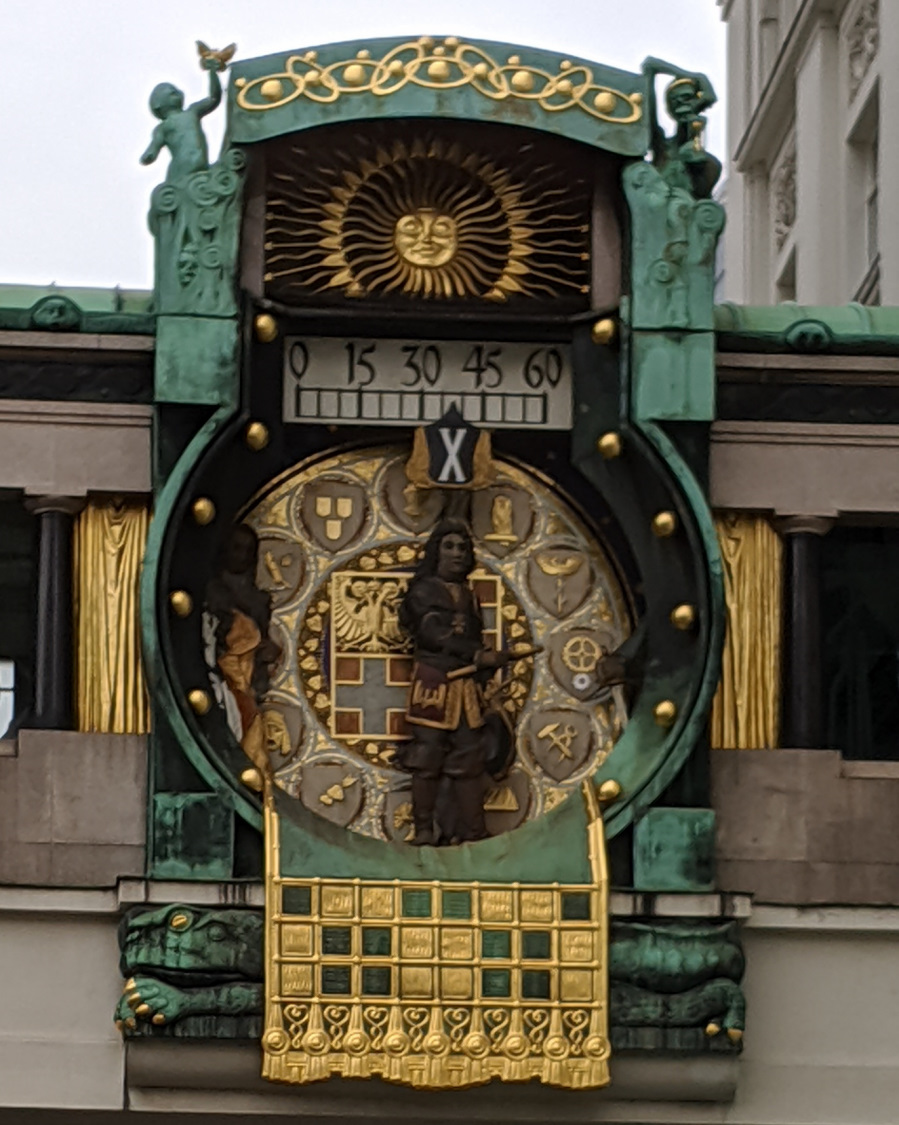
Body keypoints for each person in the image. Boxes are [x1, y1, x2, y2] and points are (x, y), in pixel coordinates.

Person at [397, 520, 512, 846]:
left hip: (465, 687)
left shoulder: (469, 596)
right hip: (433, 681)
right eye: (449, 546)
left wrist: (486, 666)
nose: (457, 553)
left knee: (469, 756)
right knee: (427, 755)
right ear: (436, 552)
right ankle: (423, 830)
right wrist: (477, 655)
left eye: (463, 547)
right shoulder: (424, 591)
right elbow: (432, 634)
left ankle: (473, 831)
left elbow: (472, 638)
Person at [140, 60, 222, 184]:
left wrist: (212, 72)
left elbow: (214, 98)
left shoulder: (193, 111)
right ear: (157, 105)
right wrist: (149, 155)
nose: (173, 90)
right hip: (181, 170)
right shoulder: (163, 127)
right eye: (167, 91)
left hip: (201, 167)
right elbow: (154, 147)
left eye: (174, 90)